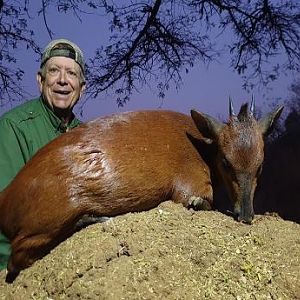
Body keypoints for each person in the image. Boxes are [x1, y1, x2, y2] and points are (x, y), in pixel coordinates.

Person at [0, 39, 86, 270]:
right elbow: (4, 210)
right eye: (54, 71)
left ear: (81, 87)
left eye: (71, 73)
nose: (62, 80)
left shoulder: (87, 135)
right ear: (41, 80)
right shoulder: (14, 126)